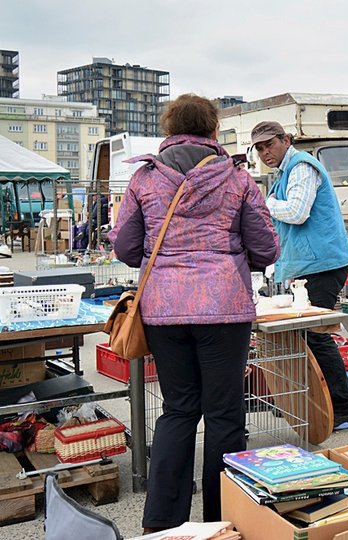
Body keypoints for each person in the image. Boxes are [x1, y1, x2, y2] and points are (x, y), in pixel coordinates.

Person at [110, 94, 279, 532]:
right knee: (224, 414)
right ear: (213, 130)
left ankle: (163, 523)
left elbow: (126, 247)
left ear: (168, 130)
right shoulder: (237, 179)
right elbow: (266, 247)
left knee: (179, 408)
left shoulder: (144, 179)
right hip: (224, 309)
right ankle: (224, 520)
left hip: (164, 310)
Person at [252, 121, 348, 428]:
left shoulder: (301, 166)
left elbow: (297, 213)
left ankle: (344, 405)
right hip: (310, 264)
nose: (265, 153)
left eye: (270, 145)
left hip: (322, 264)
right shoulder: (286, 172)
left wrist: (267, 205)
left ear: (286, 140)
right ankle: (311, 399)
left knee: (316, 336)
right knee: (304, 336)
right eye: (260, 148)